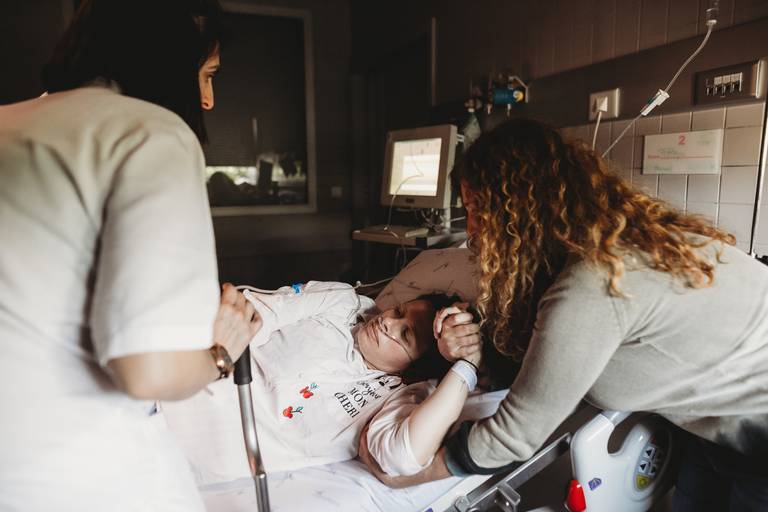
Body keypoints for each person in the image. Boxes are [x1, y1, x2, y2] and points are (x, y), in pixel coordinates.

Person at [359, 118, 768, 510]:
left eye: (479, 213)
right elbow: (562, 353)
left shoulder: (595, 281)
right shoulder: (619, 241)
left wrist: (407, 474)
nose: (473, 233)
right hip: (713, 432)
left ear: (519, 214)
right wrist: (480, 351)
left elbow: (514, 436)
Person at [0, 1, 260, 510]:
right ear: (166, 58)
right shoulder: (149, 134)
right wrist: (220, 351)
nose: (207, 99)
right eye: (205, 75)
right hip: (78, 477)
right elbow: (147, 371)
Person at [162, 281, 482, 480]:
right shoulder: (344, 304)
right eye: (398, 311)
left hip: (203, 458)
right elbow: (254, 314)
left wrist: (465, 367)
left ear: (411, 370)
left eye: (405, 334)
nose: (386, 322)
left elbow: (401, 456)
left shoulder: (398, 393)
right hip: (184, 385)